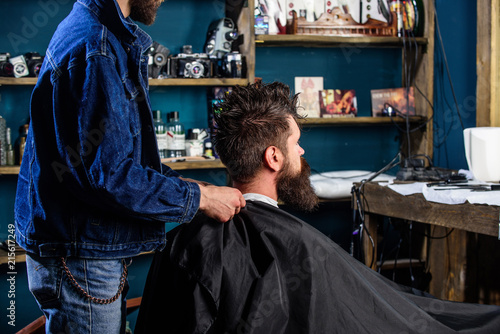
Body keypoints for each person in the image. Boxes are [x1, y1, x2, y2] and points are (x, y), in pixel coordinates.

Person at [136, 82, 500, 333]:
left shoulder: (182, 241)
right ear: (274, 157)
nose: (302, 152)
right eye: (296, 144)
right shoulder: (296, 243)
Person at [14, 0, 245, 332]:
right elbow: (109, 175)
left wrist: (198, 189)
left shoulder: (98, 35)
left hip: (81, 249)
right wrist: (201, 200)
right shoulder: (97, 47)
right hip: (82, 256)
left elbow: (117, 159)